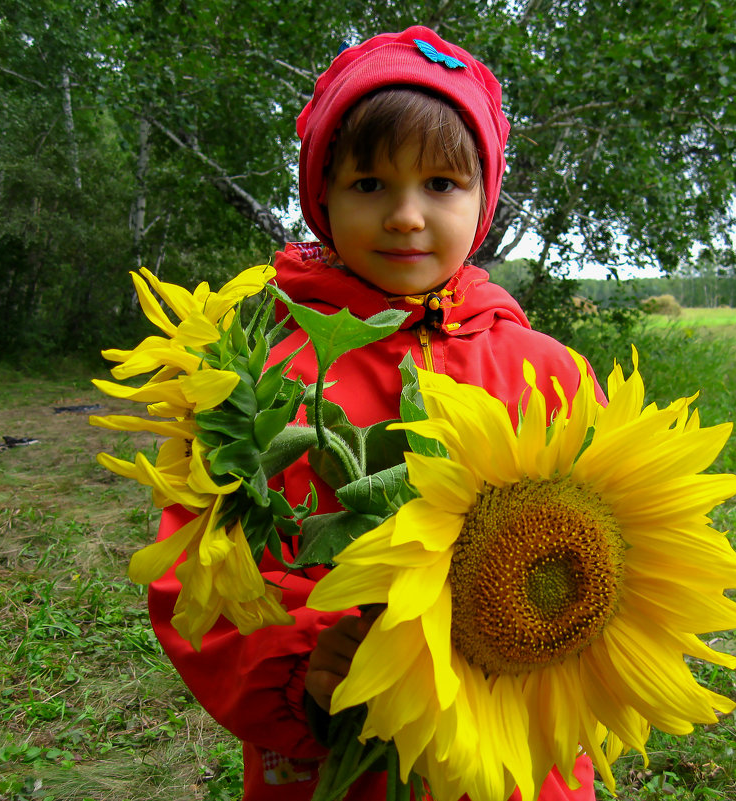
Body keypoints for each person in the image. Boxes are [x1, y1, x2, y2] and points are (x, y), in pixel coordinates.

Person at [148, 26, 606, 801]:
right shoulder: (255, 373)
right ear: (321, 195)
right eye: (369, 185)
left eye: (440, 184)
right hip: (338, 739)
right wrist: (307, 663)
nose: (404, 215)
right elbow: (198, 574)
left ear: (483, 200)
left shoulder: (547, 370)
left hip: (513, 747)